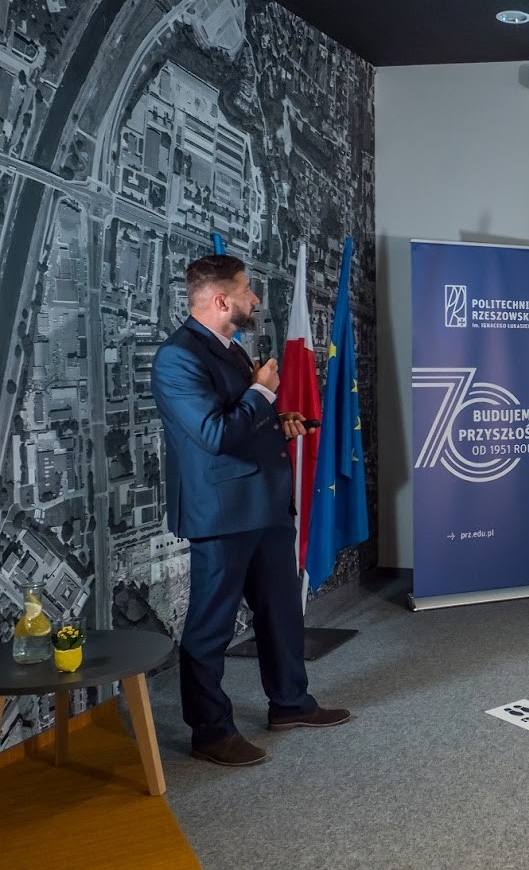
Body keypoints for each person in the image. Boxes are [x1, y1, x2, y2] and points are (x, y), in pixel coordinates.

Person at [152, 254, 350, 767]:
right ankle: (211, 732)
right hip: (222, 514)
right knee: (211, 626)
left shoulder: (231, 348)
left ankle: (291, 704)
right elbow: (214, 435)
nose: (255, 299)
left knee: (281, 611)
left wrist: (277, 420)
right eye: (247, 290)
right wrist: (262, 390)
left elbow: (239, 421)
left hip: (265, 505)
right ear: (221, 301)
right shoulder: (177, 358)